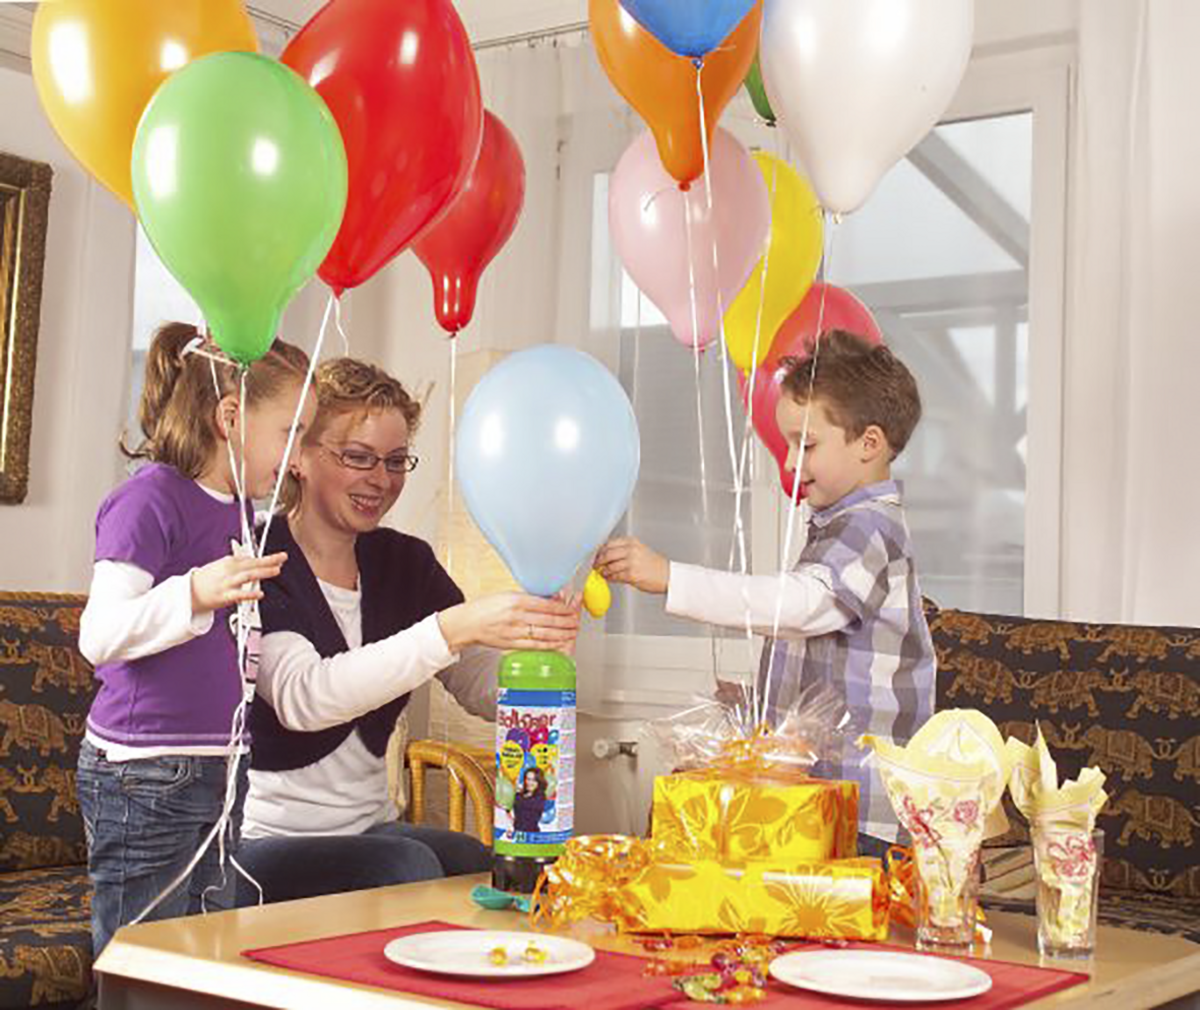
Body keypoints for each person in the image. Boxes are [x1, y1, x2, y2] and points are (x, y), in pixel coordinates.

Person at [239, 358, 580, 903]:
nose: (381, 479)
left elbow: (476, 685)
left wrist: (539, 657)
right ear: (299, 455)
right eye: (358, 457)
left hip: (367, 829)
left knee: (474, 862)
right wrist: (450, 628)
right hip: (263, 841)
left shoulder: (405, 563)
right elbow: (305, 699)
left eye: (396, 461)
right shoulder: (257, 556)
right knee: (407, 864)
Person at [595, 330, 935, 858]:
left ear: (869, 444)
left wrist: (671, 577)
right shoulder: (838, 525)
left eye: (807, 444)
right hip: (820, 801)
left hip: (864, 813)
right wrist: (762, 697)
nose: (792, 464)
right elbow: (825, 650)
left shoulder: (870, 527)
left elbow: (803, 606)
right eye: (788, 445)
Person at [77, 323, 315, 958]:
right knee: (144, 969)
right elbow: (99, 635)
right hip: (146, 774)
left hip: (222, 768)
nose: (297, 456)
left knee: (205, 964)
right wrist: (194, 592)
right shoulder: (147, 500)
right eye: (290, 433)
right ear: (230, 418)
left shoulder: (240, 510)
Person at [512, 767, 548, 835]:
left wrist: (517, 794)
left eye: (533, 780)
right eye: (528, 779)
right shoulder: (521, 795)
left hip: (531, 834)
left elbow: (525, 804)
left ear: (539, 781)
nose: (529, 782)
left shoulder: (540, 797)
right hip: (517, 833)